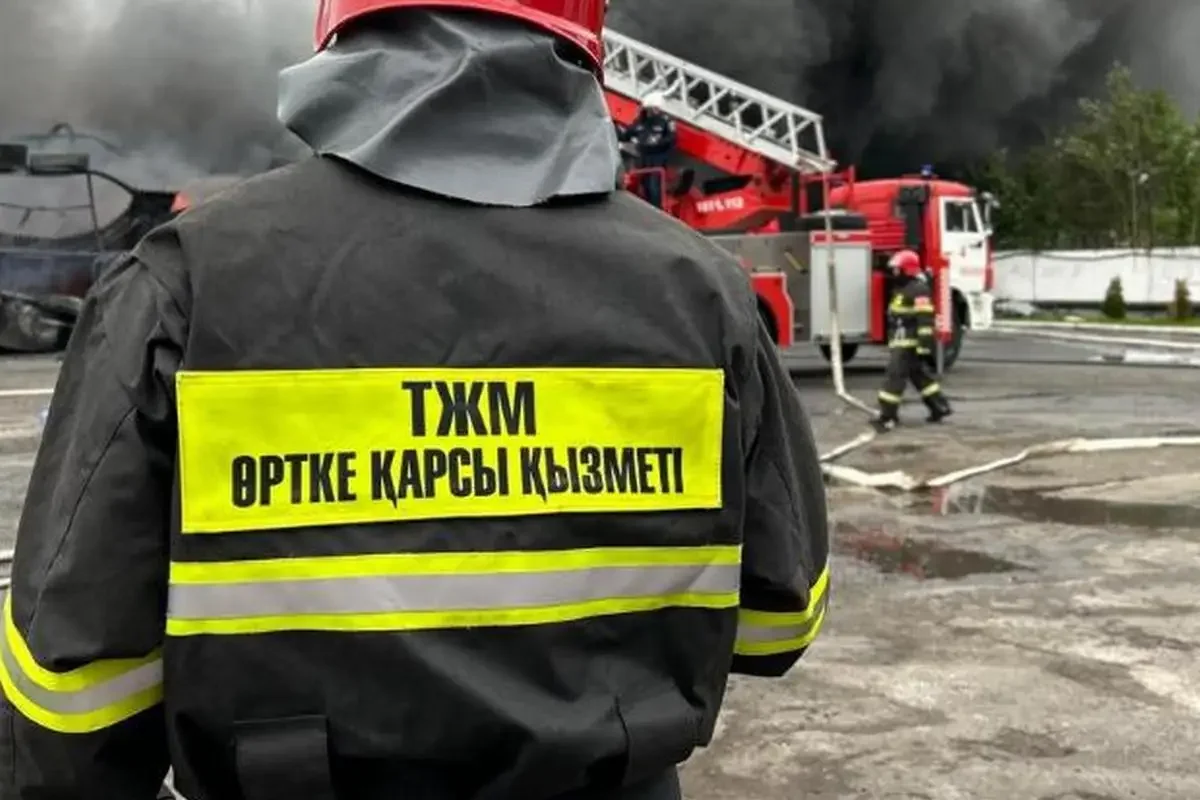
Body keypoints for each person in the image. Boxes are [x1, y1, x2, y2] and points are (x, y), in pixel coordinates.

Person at [0, 2, 830, 799]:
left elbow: (73, 690)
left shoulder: (183, 284)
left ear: (343, 29)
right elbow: (776, 621)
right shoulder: (706, 295)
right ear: (585, 36)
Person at [872, 249, 953, 433]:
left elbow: (925, 321)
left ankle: (887, 416)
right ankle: (939, 407)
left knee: (894, 378)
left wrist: (924, 347)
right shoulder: (903, 289)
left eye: (897, 269)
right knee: (919, 377)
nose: (894, 273)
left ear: (907, 270)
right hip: (901, 342)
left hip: (909, 345)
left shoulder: (919, 290)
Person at [617, 91, 676, 208]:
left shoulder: (666, 121)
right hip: (643, 158)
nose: (656, 111)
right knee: (645, 185)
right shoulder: (640, 122)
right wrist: (616, 130)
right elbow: (626, 134)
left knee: (654, 186)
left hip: (658, 159)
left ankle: (657, 210)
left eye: (657, 108)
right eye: (654, 108)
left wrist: (657, 143)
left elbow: (671, 139)